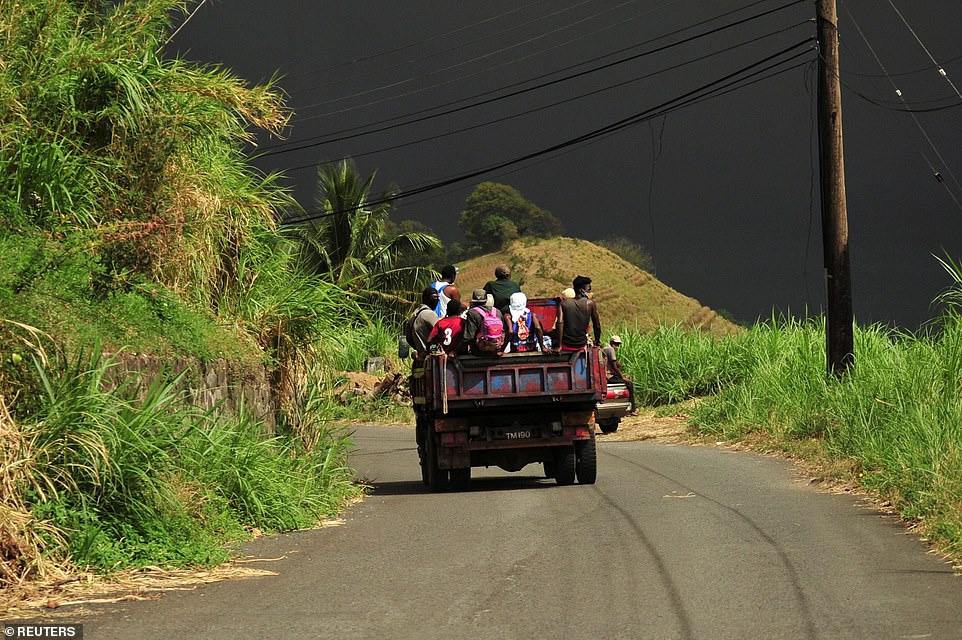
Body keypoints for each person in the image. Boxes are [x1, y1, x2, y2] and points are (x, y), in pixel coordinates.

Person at [556, 275, 601, 351]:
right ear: (581, 291)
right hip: (581, 344)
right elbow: (597, 325)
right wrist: (597, 341)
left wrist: (559, 345)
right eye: (588, 290)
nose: (590, 293)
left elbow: (560, 323)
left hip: (566, 344)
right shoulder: (590, 304)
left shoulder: (563, 304)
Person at [461, 288, 501, 355]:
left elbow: (469, 336)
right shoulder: (497, 311)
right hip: (495, 350)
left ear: (473, 301)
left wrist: (456, 350)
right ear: (486, 300)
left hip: (479, 351)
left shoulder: (472, 312)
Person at [602, 335, 636, 413]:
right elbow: (614, 367)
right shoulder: (611, 350)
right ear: (612, 343)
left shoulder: (605, 349)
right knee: (629, 384)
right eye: (616, 344)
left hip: (606, 375)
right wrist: (622, 377)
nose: (617, 346)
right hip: (609, 376)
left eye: (618, 344)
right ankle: (632, 409)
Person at [405, 286, 440, 358]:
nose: (436, 300)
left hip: (420, 355)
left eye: (437, 298)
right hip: (431, 357)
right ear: (426, 298)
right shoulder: (429, 314)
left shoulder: (414, 314)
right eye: (434, 297)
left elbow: (408, 338)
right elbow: (440, 333)